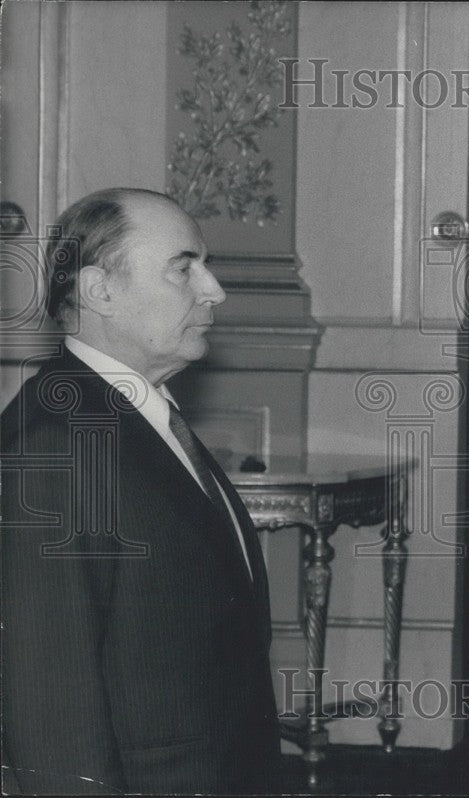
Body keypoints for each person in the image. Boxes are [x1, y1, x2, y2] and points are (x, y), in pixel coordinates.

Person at [1, 188, 279, 794]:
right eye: (184, 268)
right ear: (100, 290)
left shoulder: (141, 416)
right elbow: (50, 710)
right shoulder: (56, 445)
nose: (214, 290)